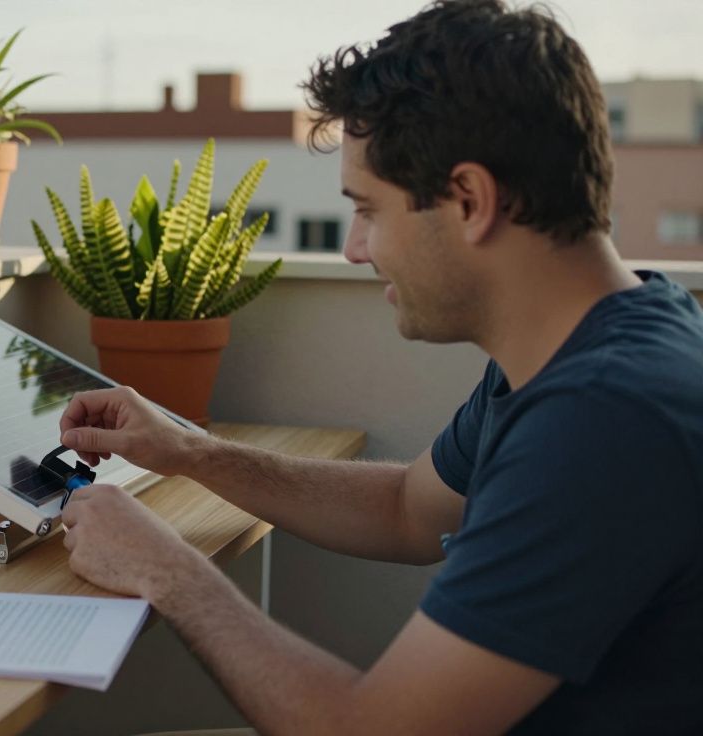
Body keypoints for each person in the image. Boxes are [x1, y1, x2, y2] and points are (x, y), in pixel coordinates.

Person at [56, 1, 703, 733]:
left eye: (368, 210)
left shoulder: (606, 419)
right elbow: (408, 510)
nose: (355, 248)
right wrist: (192, 453)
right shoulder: (592, 342)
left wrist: (165, 570)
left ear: (469, 201)